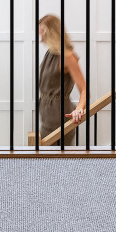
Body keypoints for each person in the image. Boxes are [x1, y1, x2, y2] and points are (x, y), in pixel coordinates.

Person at [37, 14, 87, 146]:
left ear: (52, 34)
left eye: (42, 34)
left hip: (59, 117)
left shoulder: (67, 57)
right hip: (47, 116)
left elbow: (84, 89)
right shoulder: (50, 53)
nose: (41, 40)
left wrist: (80, 109)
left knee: (56, 159)